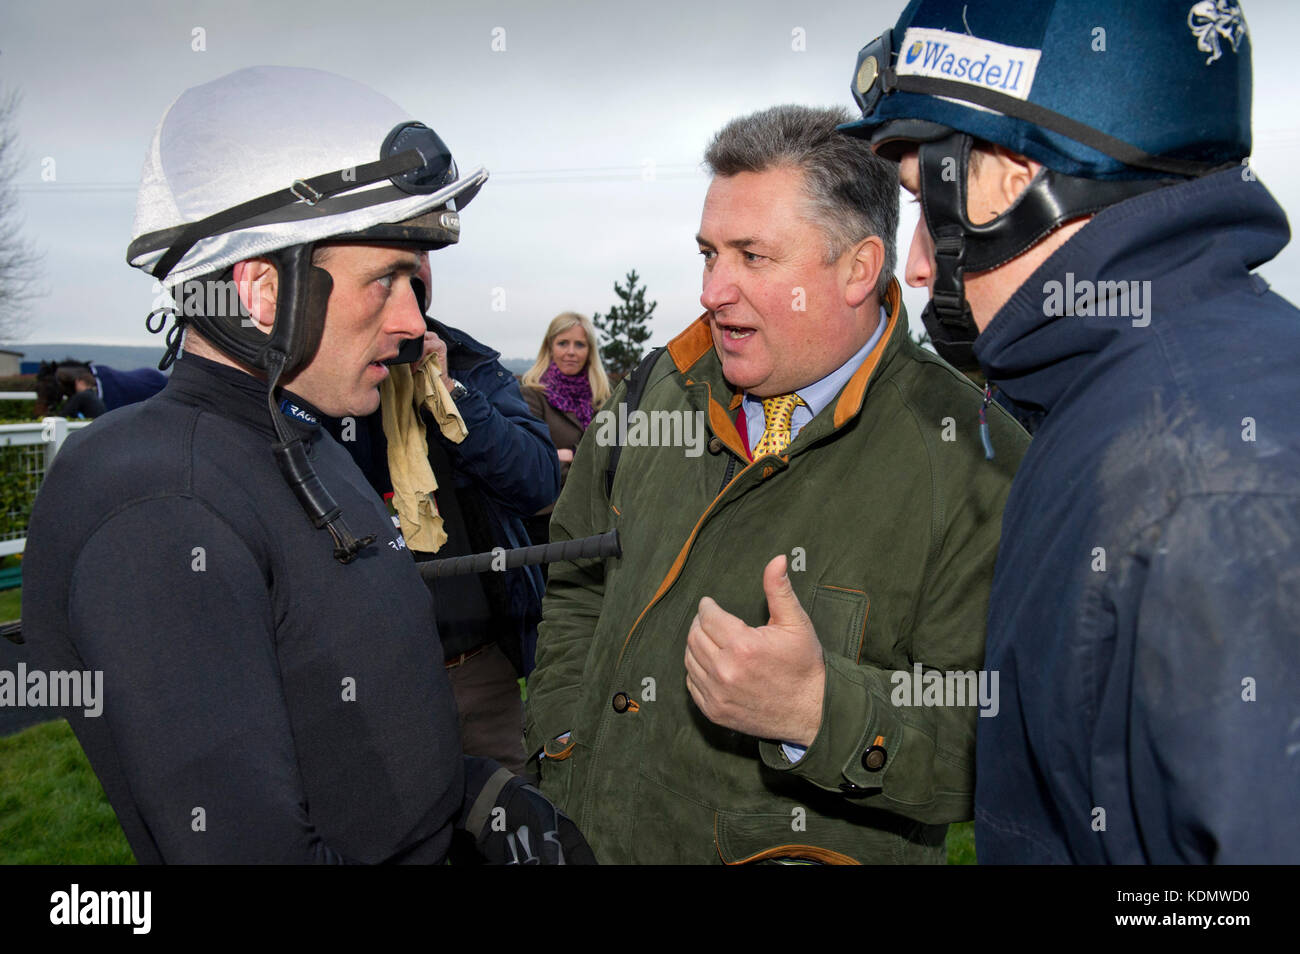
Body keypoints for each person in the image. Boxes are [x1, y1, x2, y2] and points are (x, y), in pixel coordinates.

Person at [22, 66, 591, 865]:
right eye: (385, 281)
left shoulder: (301, 439)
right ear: (261, 293)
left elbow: (340, 726)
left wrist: (469, 798)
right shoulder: (160, 504)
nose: (410, 322)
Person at [843, 0, 1300, 862]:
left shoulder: (1207, 480)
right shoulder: (1122, 404)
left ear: (1015, 174)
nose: (911, 265)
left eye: (920, 199)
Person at [525, 104, 1029, 864]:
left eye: (752, 257)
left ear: (858, 268)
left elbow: (994, 736)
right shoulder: (663, 386)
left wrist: (819, 712)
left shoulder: (976, 462)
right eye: (708, 254)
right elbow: (578, 576)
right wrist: (560, 733)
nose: (711, 291)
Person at [322, 253, 560, 775]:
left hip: (479, 668)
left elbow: (538, 480)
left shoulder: (468, 364)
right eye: (391, 267)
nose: (410, 279)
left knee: (510, 827)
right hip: (376, 677)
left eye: (420, 261)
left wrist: (450, 392)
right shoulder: (326, 372)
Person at [520, 312, 611, 546]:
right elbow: (535, 462)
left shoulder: (603, 399)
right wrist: (583, 457)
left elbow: (614, 455)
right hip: (547, 519)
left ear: (589, 351)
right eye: (563, 343)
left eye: (579, 344)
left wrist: (568, 453)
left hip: (596, 517)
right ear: (550, 348)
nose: (571, 351)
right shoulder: (531, 395)